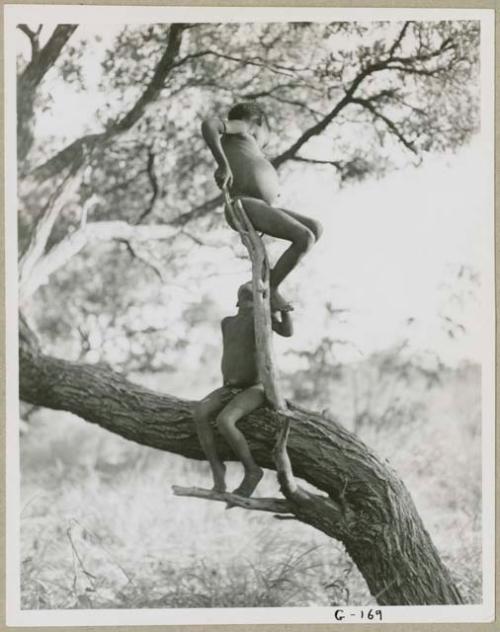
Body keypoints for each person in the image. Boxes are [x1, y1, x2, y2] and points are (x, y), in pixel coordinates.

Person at [201, 102, 323, 312]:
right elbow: (209, 124)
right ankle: (272, 287)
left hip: (257, 205)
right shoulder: (243, 126)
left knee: (315, 227)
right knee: (305, 237)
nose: (263, 145)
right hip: (243, 203)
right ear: (258, 122)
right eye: (265, 138)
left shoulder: (247, 144)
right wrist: (223, 164)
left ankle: (269, 284)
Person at [193, 282, 293, 497]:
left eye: (252, 301)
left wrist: (282, 309)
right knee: (200, 412)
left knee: (225, 420)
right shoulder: (227, 323)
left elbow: (287, 331)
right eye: (245, 301)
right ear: (237, 302)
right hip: (229, 387)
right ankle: (217, 469)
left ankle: (252, 471)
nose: (248, 305)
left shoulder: (262, 320)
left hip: (255, 388)